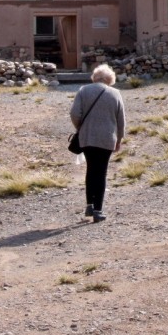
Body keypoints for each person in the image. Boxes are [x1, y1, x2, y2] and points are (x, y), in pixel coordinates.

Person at [69, 63, 126, 222]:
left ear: (95, 78)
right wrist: (119, 139)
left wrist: (80, 127)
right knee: (101, 172)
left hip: (87, 137)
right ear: (110, 79)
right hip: (107, 138)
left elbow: (74, 113)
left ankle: (89, 205)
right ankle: (98, 210)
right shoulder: (115, 93)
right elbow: (121, 121)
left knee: (91, 170)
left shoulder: (83, 90)